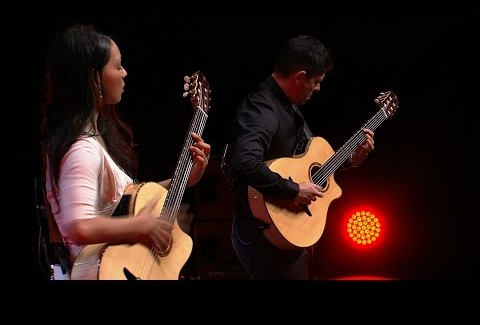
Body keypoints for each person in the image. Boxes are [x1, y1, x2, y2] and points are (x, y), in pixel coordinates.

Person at [40, 23, 211, 279]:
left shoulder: (95, 138)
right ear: (93, 77)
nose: (125, 73)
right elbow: (78, 226)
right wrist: (139, 226)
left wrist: (184, 180)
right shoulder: (82, 150)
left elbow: (123, 200)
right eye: (117, 66)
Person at [228, 35, 375, 280]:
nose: (318, 89)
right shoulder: (262, 109)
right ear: (299, 77)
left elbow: (308, 171)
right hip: (264, 237)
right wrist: (293, 190)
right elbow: (243, 163)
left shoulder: (288, 106)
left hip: (288, 232)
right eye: (316, 82)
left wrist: (351, 160)